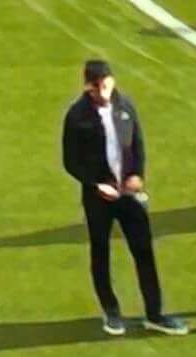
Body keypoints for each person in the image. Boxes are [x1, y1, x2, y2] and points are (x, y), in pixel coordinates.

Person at [59, 62, 184, 337]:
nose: (105, 91)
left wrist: (137, 175)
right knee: (101, 251)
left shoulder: (125, 106)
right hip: (98, 197)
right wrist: (95, 184)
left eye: (108, 85)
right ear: (88, 86)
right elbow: (70, 161)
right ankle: (111, 312)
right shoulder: (77, 116)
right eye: (99, 86)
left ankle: (155, 313)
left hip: (128, 194)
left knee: (143, 251)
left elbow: (137, 144)